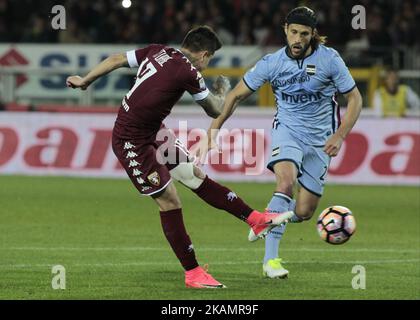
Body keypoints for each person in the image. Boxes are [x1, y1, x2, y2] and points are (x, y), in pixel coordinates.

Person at [66, 26, 292, 289]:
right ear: (205, 54)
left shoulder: (159, 51)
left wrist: (85, 80)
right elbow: (213, 110)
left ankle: (255, 220)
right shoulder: (189, 72)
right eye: (211, 59)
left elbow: (116, 59)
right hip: (131, 140)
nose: (208, 65)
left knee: (194, 175)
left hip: (151, 130)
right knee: (170, 201)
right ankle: (193, 272)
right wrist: (219, 93)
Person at [192, 9, 363, 279]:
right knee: (285, 183)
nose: (297, 39)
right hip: (288, 131)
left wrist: (340, 134)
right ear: (285, 29)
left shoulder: (330, 60)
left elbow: (355, 99)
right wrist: (213, 131)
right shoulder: (271, 63)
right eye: (293, 32)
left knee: (305, 211)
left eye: (304, 34)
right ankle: (270, 260)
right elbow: (235, 95)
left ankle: (269, 218)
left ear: (312, 35)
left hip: (321, 140)